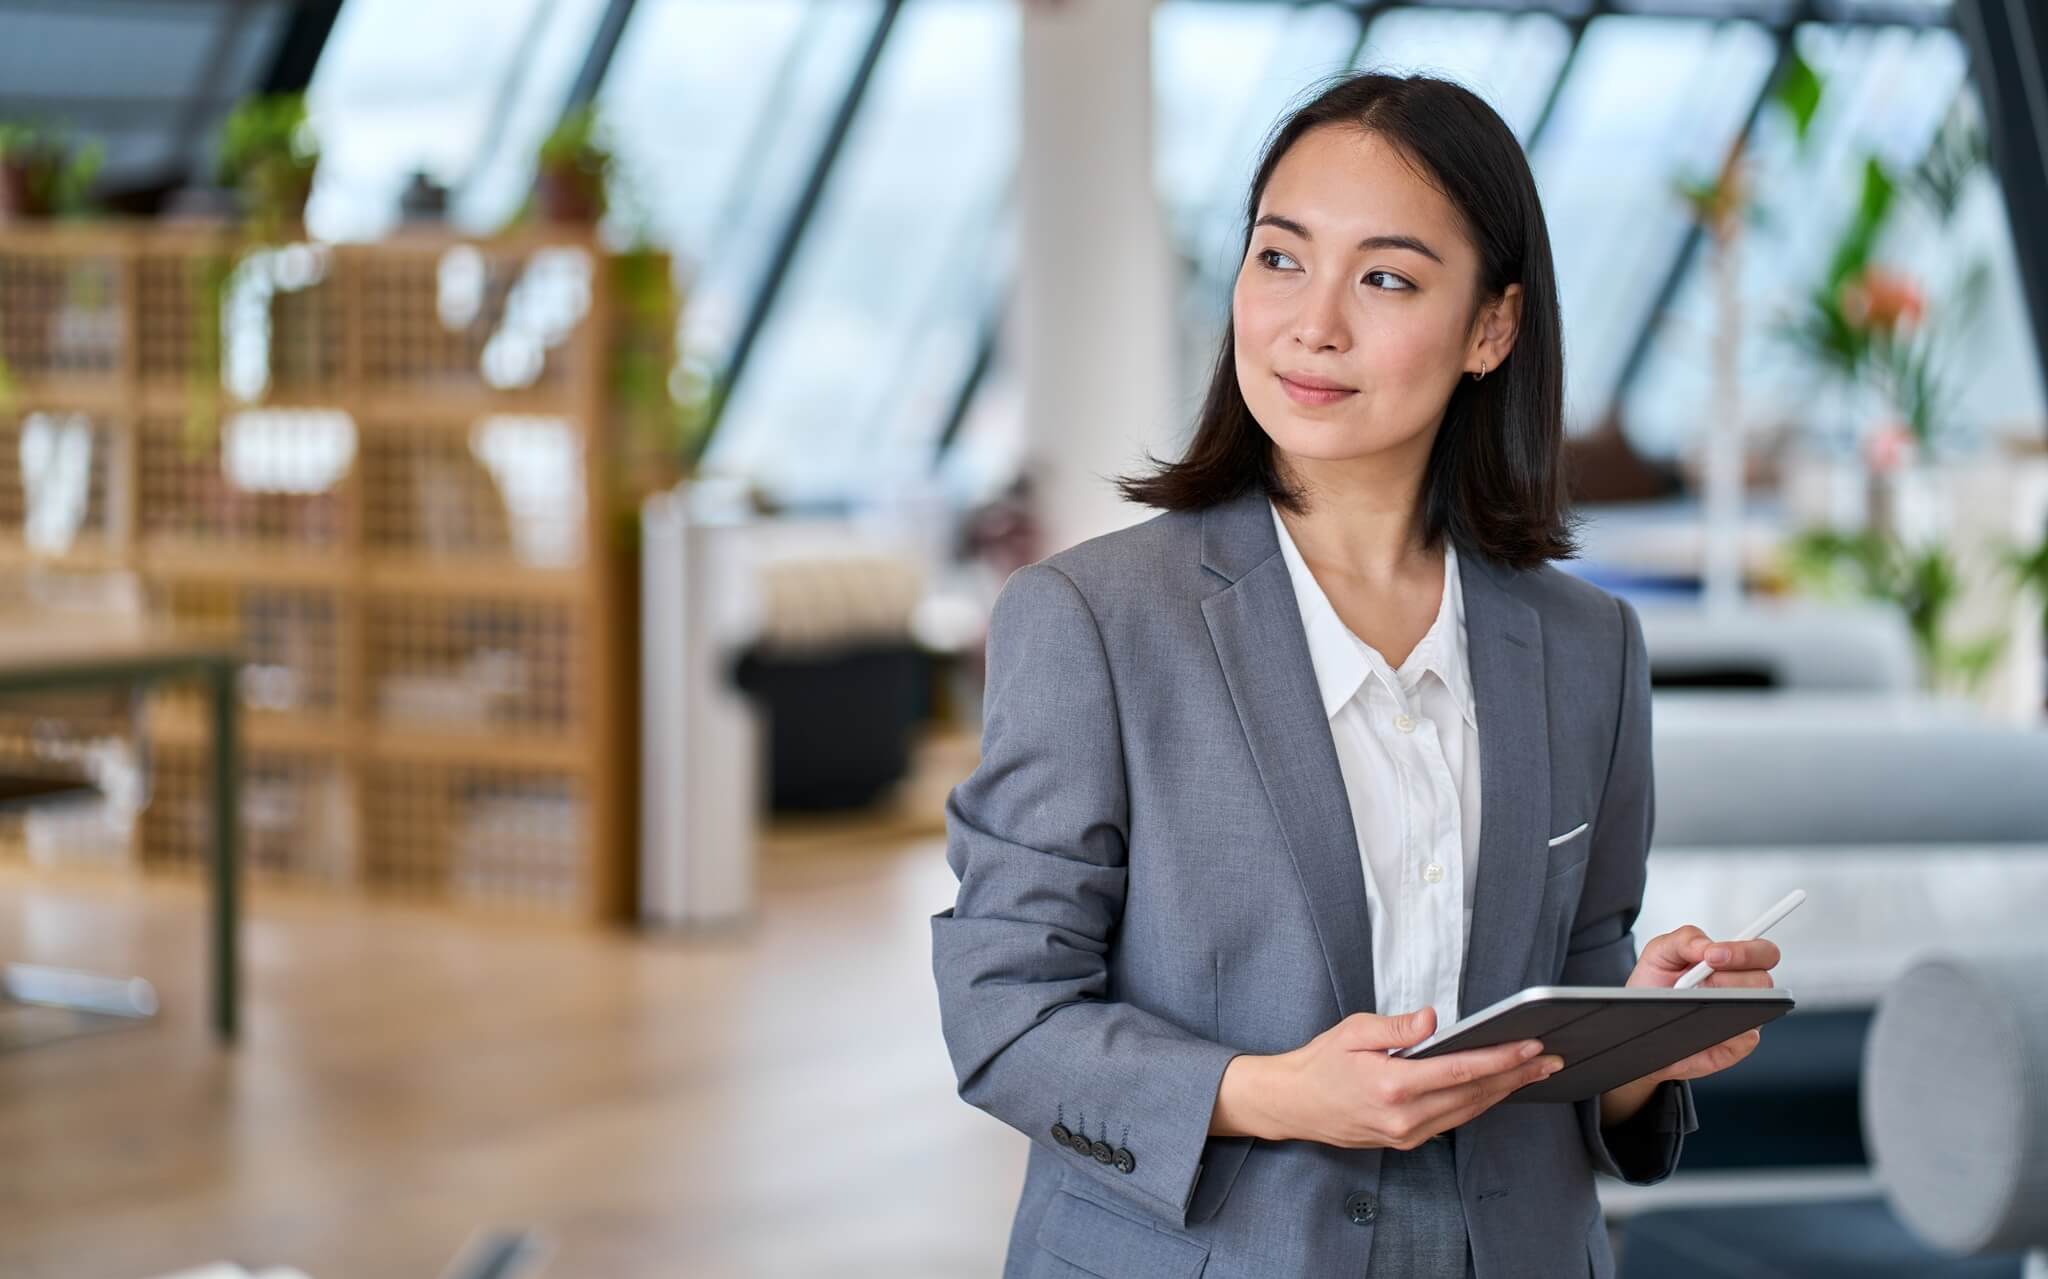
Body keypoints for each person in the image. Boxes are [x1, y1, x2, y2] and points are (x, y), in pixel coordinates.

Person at [930, 71, 1781, 1278]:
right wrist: (1273, 1093)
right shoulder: (1092, 622)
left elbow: (1576, 976)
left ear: (1491, 328)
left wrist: (1641, 1038)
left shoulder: (1587, 647)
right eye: (1279, 258)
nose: (1309, 322)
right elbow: (1004, 1015)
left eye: (1383, 277)